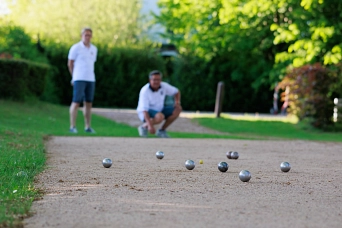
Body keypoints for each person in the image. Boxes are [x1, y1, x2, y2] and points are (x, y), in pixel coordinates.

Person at [67, 27, 98, 133]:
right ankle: (72, 126)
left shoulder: (94, 49)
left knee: (88, 103)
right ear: (82, 36)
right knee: (76, 102)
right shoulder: (75, 48)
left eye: (89, 35)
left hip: (90, 78)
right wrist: (74, 76)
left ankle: (88, 126)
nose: (87, 37)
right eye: (86, 35)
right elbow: (70, 63)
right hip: (79, 78)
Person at [137, 70, 182, 138]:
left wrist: (177, 102)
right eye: (154, 79)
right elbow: (144, 111)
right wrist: (150, 126)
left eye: (158, 79)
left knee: (177, 109)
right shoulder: (145, 91)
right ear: (150, 80)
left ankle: (161, 130)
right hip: (147, 112)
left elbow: (176, 91)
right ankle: (144, 127)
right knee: (160, 116)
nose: (156, 82)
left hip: (159, 110)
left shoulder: (163, 86)